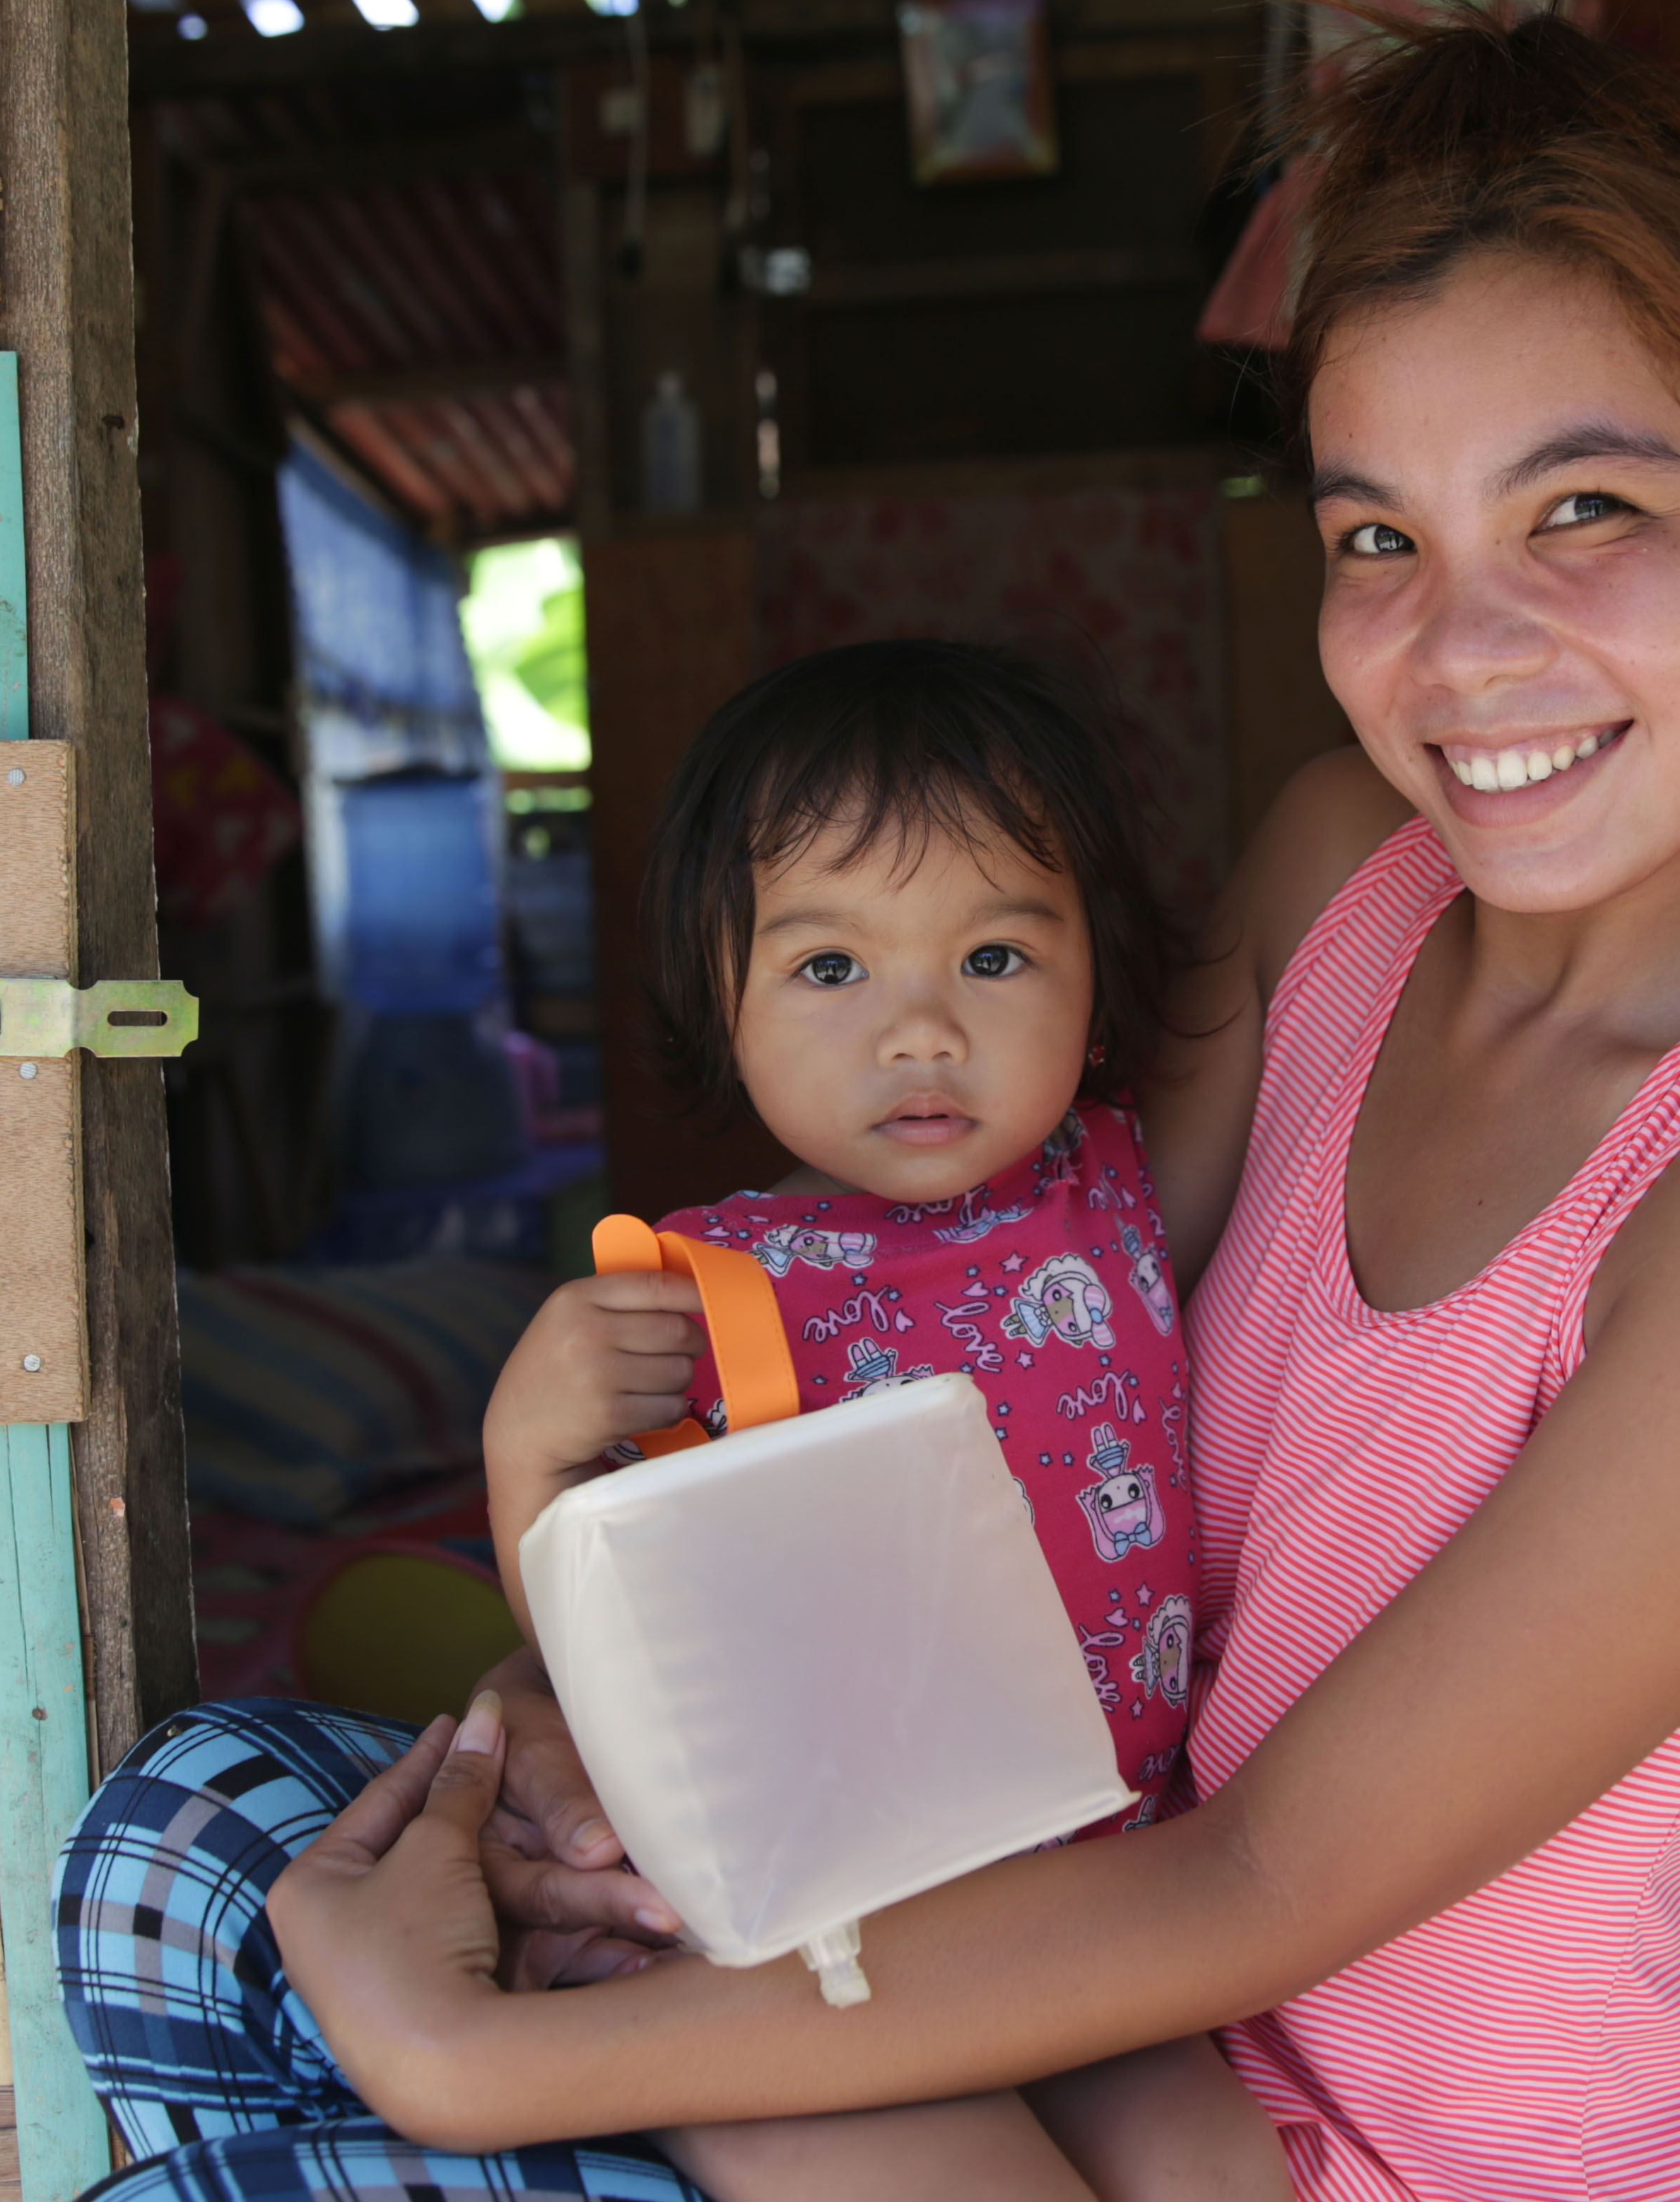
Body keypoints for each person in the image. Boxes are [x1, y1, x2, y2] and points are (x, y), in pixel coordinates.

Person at [59, 5, 1680, 2202]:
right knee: (194, 1830)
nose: (1463, 651)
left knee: (360, 2026)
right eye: (1377, 541)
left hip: (1310, 2141)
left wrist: (468, 2055)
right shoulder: (1337, 882)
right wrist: (577, 1700)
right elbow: (990, 1340)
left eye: (1584, 508)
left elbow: (1265, 1879)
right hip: (1018, 1921)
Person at [475, 638, 1281, 2195]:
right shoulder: (714, 1296)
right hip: (839, 1929)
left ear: (1098, 971)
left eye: (993, 956)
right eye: (829, 967)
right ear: (721, 991)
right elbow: (615, 1652)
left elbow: (1273, 926)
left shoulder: (1116, 1185)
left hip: (1097, 1903)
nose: (919, 1030)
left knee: (1225, 2173)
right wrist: (530, 1452)